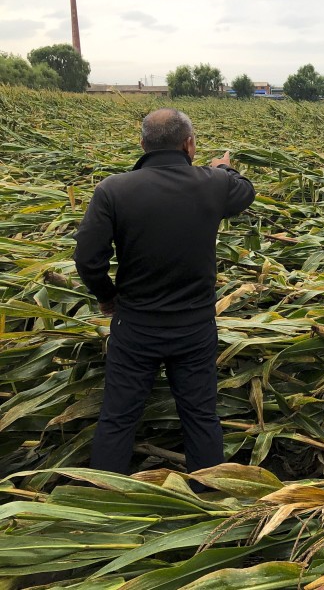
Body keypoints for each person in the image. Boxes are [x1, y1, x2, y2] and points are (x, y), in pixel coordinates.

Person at [74, 108, 255, 475]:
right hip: (194, 326)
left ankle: (100, 505)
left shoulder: (113, 189)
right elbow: (246, 193)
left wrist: (107, 295)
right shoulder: (213, 183)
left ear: (142, 144)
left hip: (135, 325)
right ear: (189, 143)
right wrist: (224, 168)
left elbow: (88, 259)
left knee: (118, 418)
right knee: (201, 417)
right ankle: (208, 502)